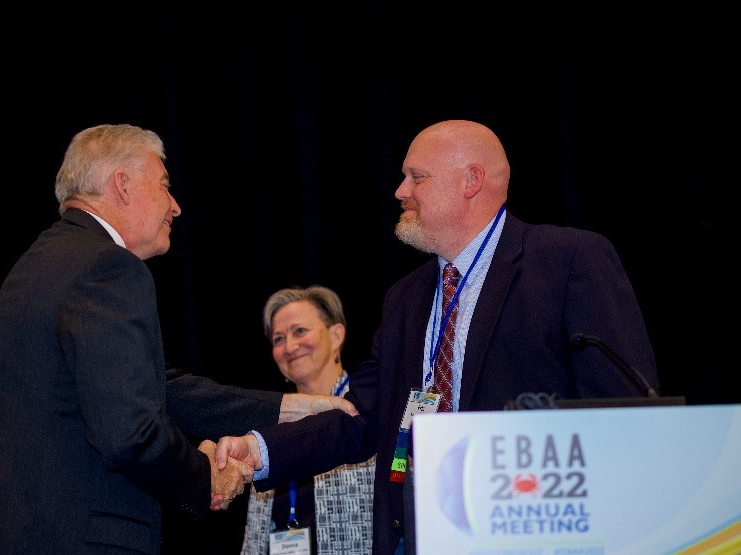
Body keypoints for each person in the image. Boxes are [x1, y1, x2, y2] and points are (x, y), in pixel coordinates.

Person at [215, 119, 661, 555]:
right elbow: (363, 412)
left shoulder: (567, 261)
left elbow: (621, 407)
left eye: (416, 177)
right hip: (415, 529)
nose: (400, 191)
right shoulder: (406, 297)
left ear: (471, 181)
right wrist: (258, 449)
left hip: (527, 526)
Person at [0, 124, 356, 555]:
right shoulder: (107, 267)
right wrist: (206, 478)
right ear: (122, 186)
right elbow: (129, 433)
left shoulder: (39, 262)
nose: (176, 207)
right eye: (164, 186)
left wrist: (290, 407)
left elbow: (154, 388)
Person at [240, 286, 375, 555]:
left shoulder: (371, 411)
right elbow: (256, 537)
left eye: (299, 331)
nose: (289, 346)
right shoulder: (273, 431)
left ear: (336, 335)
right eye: (278, 339)